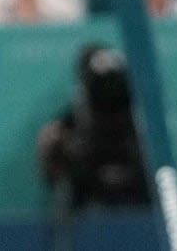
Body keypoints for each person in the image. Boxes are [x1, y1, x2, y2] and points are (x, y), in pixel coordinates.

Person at [36, 43, 151, 209]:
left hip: (133, 177)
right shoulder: (77, 115)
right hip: (90, 178)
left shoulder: (137, 112)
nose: (107, 90)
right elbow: (52, 156)